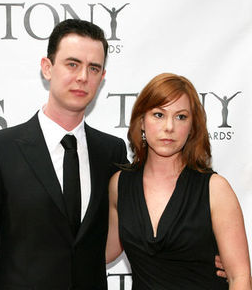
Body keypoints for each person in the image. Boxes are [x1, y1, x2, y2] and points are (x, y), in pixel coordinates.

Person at [0, 19, 128, 290]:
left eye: (93, 68)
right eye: (72, 64)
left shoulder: (111, 152)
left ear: (101, 77)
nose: (83, 77)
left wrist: (208, 253)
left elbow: (141, 223)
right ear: (47, 68)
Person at [106, 73, 251, 289]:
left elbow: (240, 277)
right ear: (142, 121)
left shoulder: (214, 188)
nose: (169, 127)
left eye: (181, 117)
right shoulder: (120, 185)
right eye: (158, 115)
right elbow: (101, 251)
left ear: (192, 127)